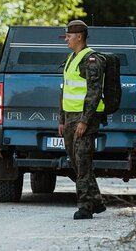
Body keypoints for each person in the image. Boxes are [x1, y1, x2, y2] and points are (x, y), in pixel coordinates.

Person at [58, 20, 107, 219]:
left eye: (69, 36)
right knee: (77, 163)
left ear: (79, 36)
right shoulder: (72, 58)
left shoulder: (91, 59)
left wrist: (85, 121)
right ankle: (97, 201)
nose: (66, 40)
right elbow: (65, 90)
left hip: (84, 118)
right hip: (70, 117)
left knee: (83, 161)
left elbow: (94, 93)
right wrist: (61, 118)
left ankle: (85, 206)